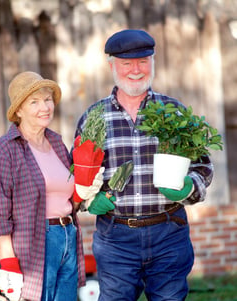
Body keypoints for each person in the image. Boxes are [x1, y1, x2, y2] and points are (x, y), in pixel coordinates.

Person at [73, 29, 214, 301]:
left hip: (169, 232)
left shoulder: (174, 111)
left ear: (153, 61)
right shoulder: (94, 117)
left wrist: (187, 189)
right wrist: (89, 200)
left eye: (143, 61)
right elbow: (77, 172)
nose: (135, 70)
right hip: (115, 238)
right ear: (112, 65)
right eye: (126, 63)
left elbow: (203, 167)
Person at [0, 71, 86, 301]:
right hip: (35, 243)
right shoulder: (4, 150)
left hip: (68, 235)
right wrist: (8, 263)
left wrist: (87, 189)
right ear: (19, 110)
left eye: (48, 100)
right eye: (34, 102)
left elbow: (68, 197)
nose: (45, 107)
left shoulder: (57, 143)